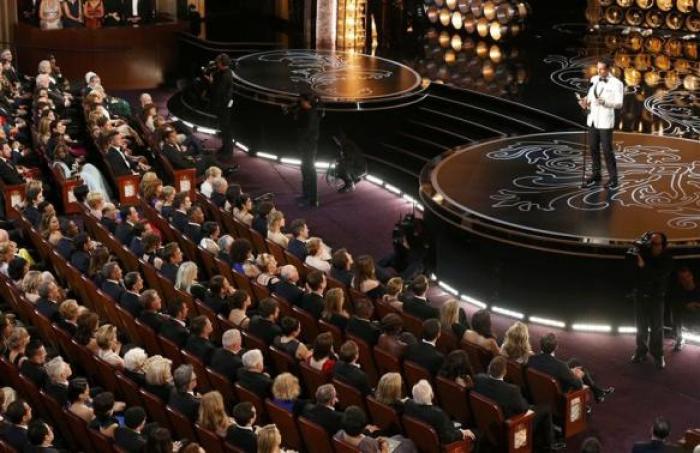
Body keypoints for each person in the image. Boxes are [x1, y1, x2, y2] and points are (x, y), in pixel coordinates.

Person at [474, 356, 563, 451]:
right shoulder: (512, 390)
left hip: (491, 425)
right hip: (512, 427)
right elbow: (524, 409)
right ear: (504, 372)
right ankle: (550, 444)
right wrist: (529, 404)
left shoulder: (479, 380)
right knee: (545, 408)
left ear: (489, 368)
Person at [578, 57, 623, 188]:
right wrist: (585, 101)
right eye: (598, 68)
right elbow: (591, 96)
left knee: (607, 150)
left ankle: (613, 179)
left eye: (602, 69)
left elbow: (619, 104)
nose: (599, 71)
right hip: (592, 119)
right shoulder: (594, 79)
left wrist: (606, 102)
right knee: (593, 148)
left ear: (609, 69)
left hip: (605, 121)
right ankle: (596, 175)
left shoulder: (617, 83)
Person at [630, 232, 673, 369]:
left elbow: (658, 277)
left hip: (656, 297)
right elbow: (630, 258)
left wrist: (644, 266)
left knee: (657, 328)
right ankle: (640, 351)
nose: (653, 246)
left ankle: (658, 355)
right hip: (641, 296)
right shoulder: (644, 252)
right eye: (651, 243)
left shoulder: (667, 259)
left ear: (663, 245)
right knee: (640, 326)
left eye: (656, 244)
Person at [529, 333, 613, 403]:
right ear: (556, 347)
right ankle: (598, 392)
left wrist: (569, 371)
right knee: (581, 371)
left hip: (541, 388)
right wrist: (577, 375)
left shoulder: (531, 359)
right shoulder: (560, 366)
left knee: (575, 361)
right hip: (559, 394)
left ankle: (598, 392)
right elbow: (578, 385)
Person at [404, 380, 475, 444]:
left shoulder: (409, 405)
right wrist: (462, 433)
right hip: (447, 446)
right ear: (431, 395)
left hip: (423, 443)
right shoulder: (438, 414)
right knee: (476, 434)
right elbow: (448, 438)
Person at [291, 93, 324, 207]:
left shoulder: (311, 115)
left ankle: (313, 199)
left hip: (309, 147)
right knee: (305, 169)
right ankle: (306, 194)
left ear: (308, 102)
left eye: (302, 101)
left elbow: (306, 132)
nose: (300, 103)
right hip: (306, 146)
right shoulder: (308, 111)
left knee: (310, 170)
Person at [207, 54, 236, 160]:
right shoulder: (222, 73)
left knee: (226, 129)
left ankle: (228, 152)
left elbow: (218, 91)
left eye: (218, 62)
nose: (216, 64)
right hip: (222, 105)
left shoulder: (226, 75)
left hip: (224, 106)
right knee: (224, 129)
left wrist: (211, 83)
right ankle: (225, 148)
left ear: (222, 63)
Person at [668, 266, 700, 352]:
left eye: (687, 276)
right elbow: (675, 304)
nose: (686, 280)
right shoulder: (678, 290)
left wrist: (696, 304)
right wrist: (686, 306)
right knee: (674, 311)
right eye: (682, 278)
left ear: (691, 276)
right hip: (686, 311)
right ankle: (679, 338)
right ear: (680, 280)